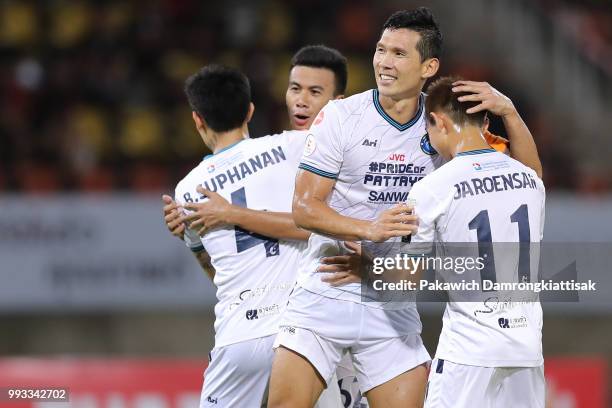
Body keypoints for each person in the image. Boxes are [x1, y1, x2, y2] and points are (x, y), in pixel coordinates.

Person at [268, 7, 542, 408]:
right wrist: (369, 229)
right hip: (325, 291)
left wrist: (509, 111)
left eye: (399, 53)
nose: (384, 62)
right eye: (381, 50)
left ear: (428, 65)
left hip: (391, 303)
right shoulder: (342, 117)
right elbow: (304, 208)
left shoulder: (444, 120)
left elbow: (525, 178)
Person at [174, 64, 346, 408]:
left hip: (239, 335)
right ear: (250, 110)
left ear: (197, 120)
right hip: (303, 334)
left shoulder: (189, 190)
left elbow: (212, 269)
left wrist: (189, 235)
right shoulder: (293, 148)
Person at [409, 76, 545, 407]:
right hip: (526, 348)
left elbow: (402, 278)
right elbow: (535, 171)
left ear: (436, 121)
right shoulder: (530, 180)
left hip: (469, 351)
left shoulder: (433, 188)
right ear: (486, 122)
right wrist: (510, 112)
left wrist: (367, 258)